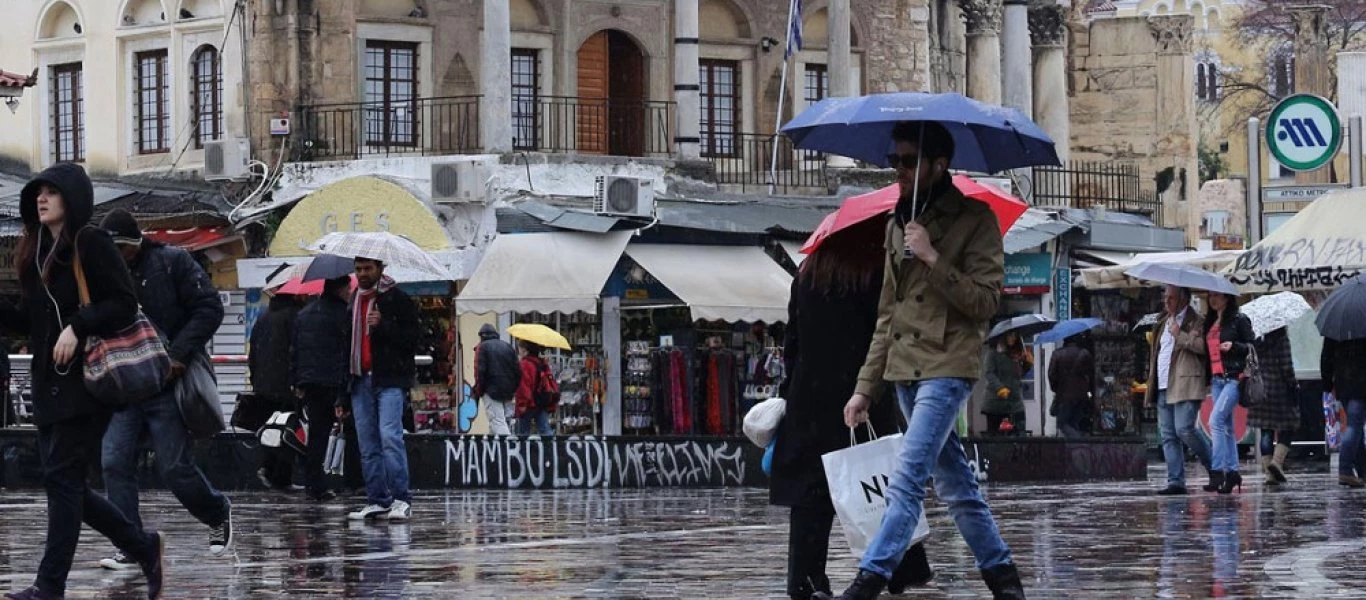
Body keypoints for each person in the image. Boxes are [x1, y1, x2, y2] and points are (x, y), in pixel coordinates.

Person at [818, 121, 1023, 600]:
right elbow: (887, 314)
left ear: (938, 164)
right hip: (906, 370)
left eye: (909, 161)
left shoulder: (976, 220)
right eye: (895, 161)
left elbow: (985, 302)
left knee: (906, 479)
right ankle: (1004, 579)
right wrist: (865, 387)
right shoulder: (897, 223)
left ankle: (866, 584)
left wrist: (932, 257)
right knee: (957, 488)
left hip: (948, 366)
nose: (899, 170)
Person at [0, 163, 166, 600]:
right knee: (66, 482)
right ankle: (142, 546)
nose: (42, 199)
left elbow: (125, 303)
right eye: (38, 192)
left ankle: (49, 586)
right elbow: (31, 322)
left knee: (62, 479)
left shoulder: (90, 243)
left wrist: (78, 325)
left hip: (88, 383)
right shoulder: (35, 251)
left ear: (71, 199)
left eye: (52, 193)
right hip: (48, 385)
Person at [771, 218, 933, 600]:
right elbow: (885, 337)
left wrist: (789, 391)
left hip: (808, 397)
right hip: (859, 394)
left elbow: (791, 342)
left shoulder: (807, 276)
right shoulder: (873, 275)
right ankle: (903, 569)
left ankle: (805, 580)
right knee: (879, 483)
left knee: (811, 497)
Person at [96, 209, 233, 570]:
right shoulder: (103, 273)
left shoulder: (173, 261)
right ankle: (131, 545)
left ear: (135, 243)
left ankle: (216, 511)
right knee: (113, 462)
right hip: (125, 385)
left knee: (174, 468)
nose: (118, 257)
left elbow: (208, 308)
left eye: (122, 249)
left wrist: (178, 355)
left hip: (166, 383)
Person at [345, 257, 419, 521]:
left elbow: (413, 339)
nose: (362, 274)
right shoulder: (354, 300)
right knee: (367, 444)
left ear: (380, 269)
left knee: (390, 437)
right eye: (358, 269)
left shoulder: (397, 299)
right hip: (359, 379)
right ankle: (377, 499)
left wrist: (383, 325)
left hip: (389, 379)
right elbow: (347, 344)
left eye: (368, 269)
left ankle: (401, 498)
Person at [1145, 285, 1212, 495]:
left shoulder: (1198, 320)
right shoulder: (1163, 321)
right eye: (1165, 298)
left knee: (1184, 429)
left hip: (1184, 384)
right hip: (1163, 384)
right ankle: (1175, 480)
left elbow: (1204, 347)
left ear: (1184, 297)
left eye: (1171, 298)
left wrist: (1180, 335)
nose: (1167, 302)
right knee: (1168, 435)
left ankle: (1215, 467)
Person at [291, 276, 353, 502]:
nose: (349, 292)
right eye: (348, 288)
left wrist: (297, 380)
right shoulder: (345, 314)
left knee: (317, 435)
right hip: (336, 381)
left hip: (311, 382)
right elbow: (345, 350)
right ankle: (353, 481)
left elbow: (295, 350)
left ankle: (314, 483)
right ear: (340, 289)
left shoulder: (304, 314)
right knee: (351, 431)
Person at [249, 289, 303, 490]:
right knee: (288, 430)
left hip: (264, 384)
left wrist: (255, 379)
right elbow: (296, 350)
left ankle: (271, 471)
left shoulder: (263, 318)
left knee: (272, 428)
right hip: (285, 385)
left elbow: (253, 351)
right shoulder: (294, 317)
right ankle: (278, 475)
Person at [1204, 292, 1254, 494]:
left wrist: (1234, 346)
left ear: (1227, 298)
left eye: (1217, 296)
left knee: (1215, 421)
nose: (1212, 299)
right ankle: (1232, 473)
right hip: (1217, 378)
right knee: (1226, 426)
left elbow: (1252, 346)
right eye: (1210, 297)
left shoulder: (1239, 319)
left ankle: (1217, 471)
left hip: (1234, 378)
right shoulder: (1211, 321)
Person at [1249, 326, 1298, 486]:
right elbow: (1286, 366)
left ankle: (1269, 475)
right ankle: (1276, 462)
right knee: (1290, 425)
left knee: (1265, 430)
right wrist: (1293, 384)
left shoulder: (1255, 340)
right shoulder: (1281, 339)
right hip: (1279, 387)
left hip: (1260, 388)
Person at [1323, 335, 1366, 487]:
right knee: (1354, 426)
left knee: (1356, 426)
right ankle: (1345, 469)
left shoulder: (1337, 328)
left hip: (1343, 383)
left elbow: (1326, 356)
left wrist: (1327, 384)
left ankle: (1362, 471)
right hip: (1361, 382)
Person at [473, 324, 521, 436]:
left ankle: (509, 449)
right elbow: (518, 371)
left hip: (491, 391)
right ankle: (492, 451)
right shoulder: (508, 346)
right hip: (508, 391)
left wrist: (478, 391)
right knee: (497, 422)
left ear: (481, 336)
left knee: (497, 423)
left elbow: (479, 373)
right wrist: (513, 389)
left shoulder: (482, 347)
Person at [1049, 334, 1095, 438]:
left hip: (1064, 395)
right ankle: (1076, 449)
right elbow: (1091, 374)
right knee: (1074, 422)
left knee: (1062, 423)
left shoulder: (1057, 354)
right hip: (1082, 395)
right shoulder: (1085, 353)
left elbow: (1052, 375)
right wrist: (1089, 392)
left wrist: (1057, 388)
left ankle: (1079, 440)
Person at [983, 332, 1028, 435]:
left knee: (1020, 432)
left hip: (1016, 400)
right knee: (995, 435)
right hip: (995, 401)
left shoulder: (1018, 353)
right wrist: (999, 388)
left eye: (1014, 335)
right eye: (1009, 335)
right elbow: (989, 373)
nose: (1012, 338)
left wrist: (1027, 364)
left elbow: (1018, 375)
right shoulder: (993, 353)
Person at [514, 340, 555, 436]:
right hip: (541, 401)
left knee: (524, 433)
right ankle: (549, 449)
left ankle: (524, 450)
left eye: (519, 348)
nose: (518, 350)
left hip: (528, 403)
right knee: (545, 431)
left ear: (525, 349)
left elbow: (523, 387)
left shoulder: (524, 364)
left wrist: (521, 404)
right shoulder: (541, 362)